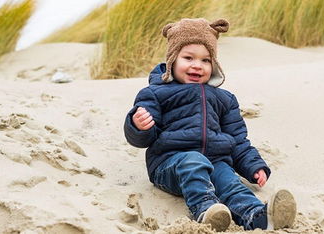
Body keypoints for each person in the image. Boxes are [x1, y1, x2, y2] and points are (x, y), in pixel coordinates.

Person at [124, 18, 296, 231]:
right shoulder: (156, 93)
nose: (197, 65)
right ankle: (206, 209)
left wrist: (253, 165)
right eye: (188, 58)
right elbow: (142, 139)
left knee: (231, 183)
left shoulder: (224, 99)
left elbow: (238, 140)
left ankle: (258, 216)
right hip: (169, 164)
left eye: (206, 60)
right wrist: (139, 126)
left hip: (215, 161)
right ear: (172, 60)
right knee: (193, 161)